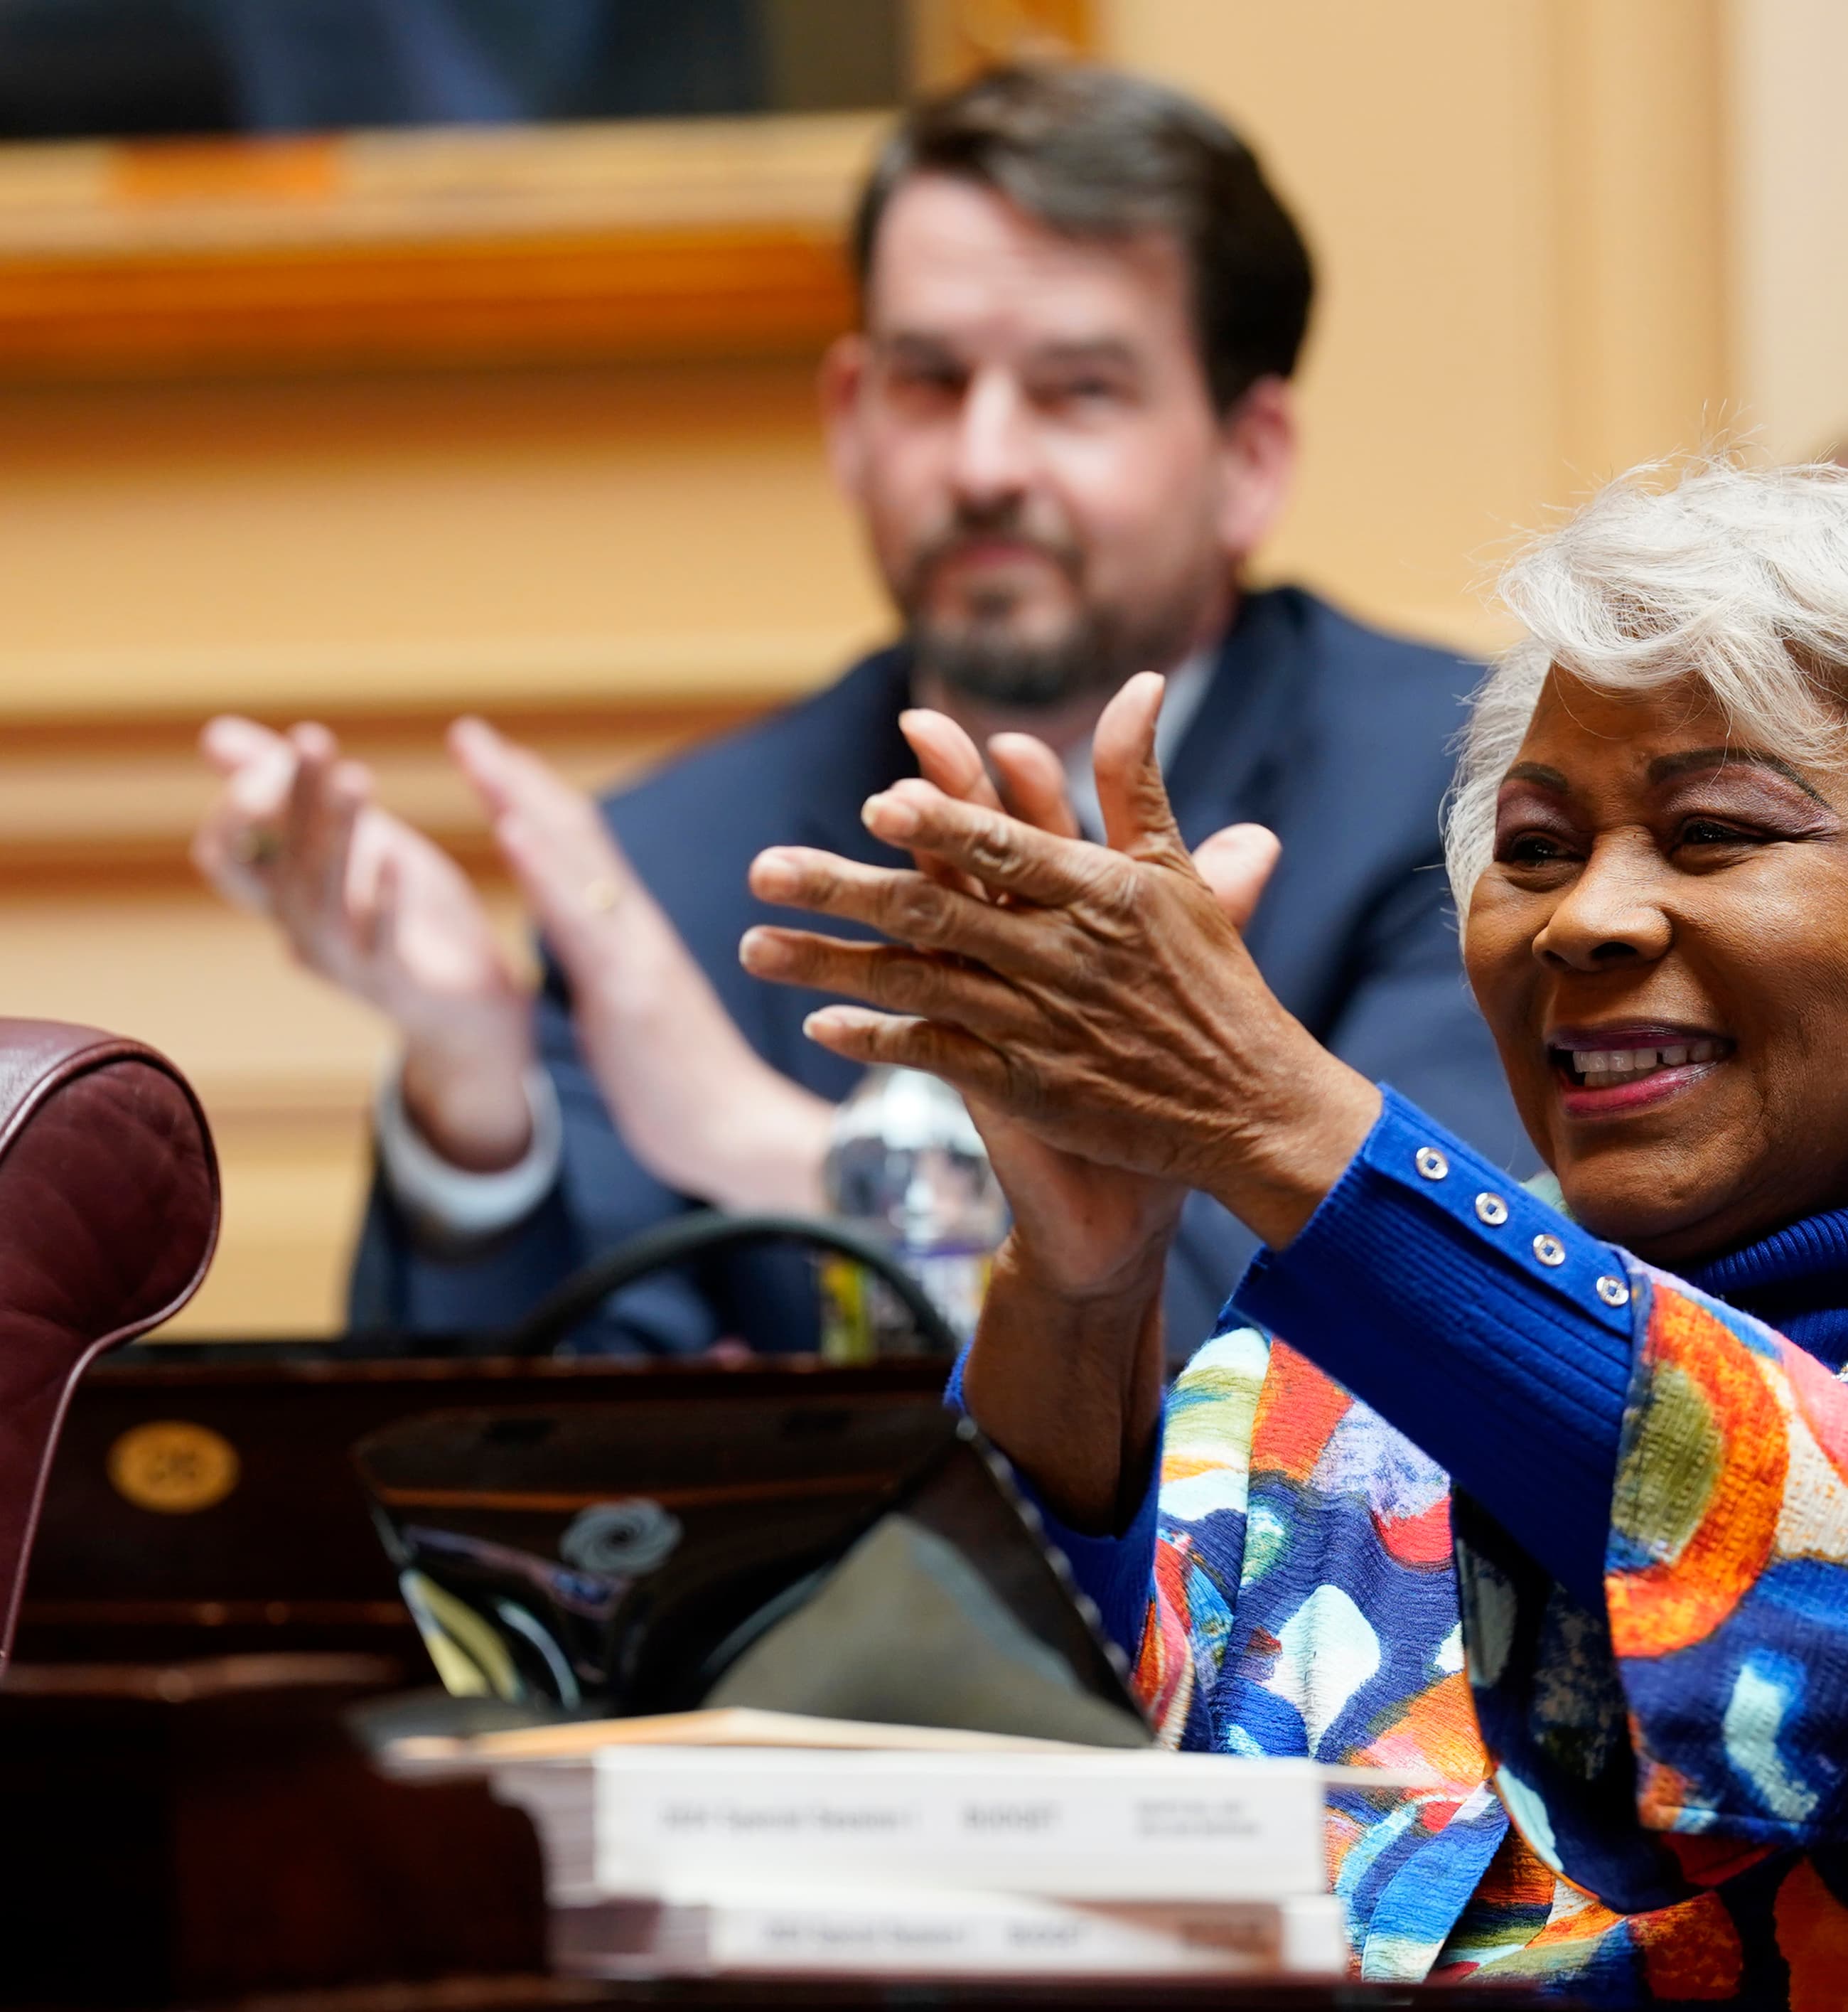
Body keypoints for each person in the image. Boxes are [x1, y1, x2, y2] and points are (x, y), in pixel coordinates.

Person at [737, 461, 1848, 2002]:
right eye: (1536, 849)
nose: (1587, 919)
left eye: (1715, 832)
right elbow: (953, 1817)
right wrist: (1083, 1281)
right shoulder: (1318, 1389)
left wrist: (1287, 1126)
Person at [191, 65, 1520, 1354]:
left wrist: (784, 1159)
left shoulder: (1456, 798)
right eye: (930, 383)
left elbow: (1406, 1333)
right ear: (848, 415)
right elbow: (557, 1488)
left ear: (1250, 460)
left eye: (1077, 393)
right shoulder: (679, 866)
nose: (986, 464)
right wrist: (477, 1097)